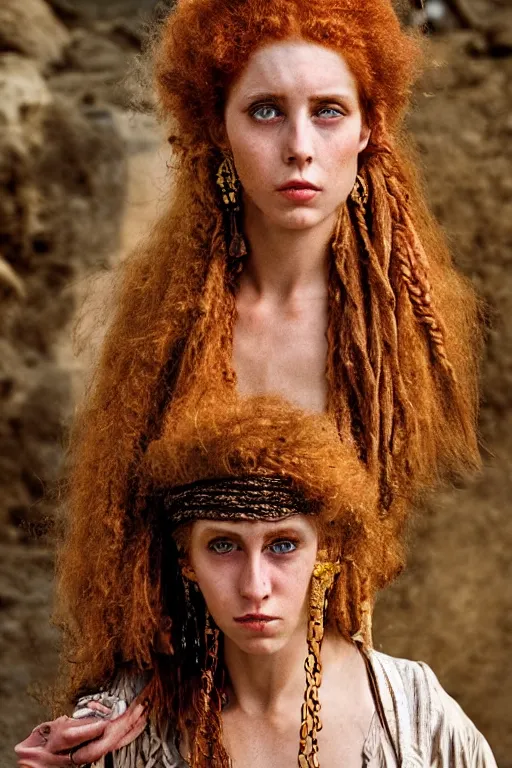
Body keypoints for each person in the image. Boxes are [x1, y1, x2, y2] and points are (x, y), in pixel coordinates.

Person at [15, 396, 496, 767]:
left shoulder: (414, 713)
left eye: (283, 545)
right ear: (186, 560)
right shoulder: (128, 721)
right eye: (223, 546)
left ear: (324, 551)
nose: (254, 586)